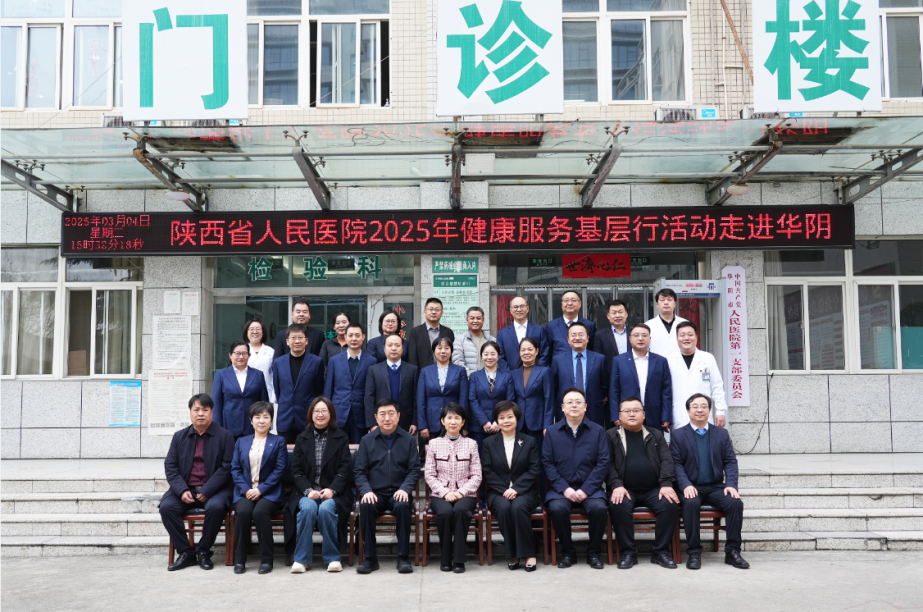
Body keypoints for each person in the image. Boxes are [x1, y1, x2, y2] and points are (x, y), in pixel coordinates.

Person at [670, 393, 749, 570]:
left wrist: (731, 485)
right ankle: (694, 552)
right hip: (691, 486)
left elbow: (730, 461)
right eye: (695, 406)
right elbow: (676, 464)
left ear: (709, 410)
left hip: (715, 486)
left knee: (735, 503)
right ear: (688, 411)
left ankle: (732, 552)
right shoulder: (678, 435)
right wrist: (685, 485)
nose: (699, 410)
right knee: (690, 503)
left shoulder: (721, 434)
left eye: (704, 406)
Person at [161, 394, 235, 571]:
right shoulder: (179, 437)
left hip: (215, 490)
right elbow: (170, 465)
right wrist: (181, 490)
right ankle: (186, 552)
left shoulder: (225, 436)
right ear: (190, 413)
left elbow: (227, 467)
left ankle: (203, 551)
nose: (200, 413)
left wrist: (207, 490)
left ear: (212, 412)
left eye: (205, 410)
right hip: (186, 489)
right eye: (196, 410)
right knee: (167, 507)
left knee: (215, 507)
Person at [607, 396, 680, 570]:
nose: (632, 414)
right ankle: (628, 553)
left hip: (653, 489)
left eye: (636, 410)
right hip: (625, 489)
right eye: (627, 411)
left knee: (670, 504)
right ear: (620, 415)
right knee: (618, 504)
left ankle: (660, 552)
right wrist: (616, 485)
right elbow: (606, 464)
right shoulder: (610, 435)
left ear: (644, 414)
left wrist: (666, 484)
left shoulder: (655, 434)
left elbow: (667, 460)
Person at [543, 388, 610, 570]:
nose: (574, 405)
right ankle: (568, 552)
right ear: (562, 407)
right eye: (570, 402)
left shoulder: (597, 431)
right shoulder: (552, 432)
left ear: (585, 406)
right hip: (561, 489)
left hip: (591, 488)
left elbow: (603, 462)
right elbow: (547, 463)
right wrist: (565, 489)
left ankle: (594, 553)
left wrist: (585, 489)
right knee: (557, 509)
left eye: (578, 402)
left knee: (599, 509)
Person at [285, 397, 353, 574]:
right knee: (308, 508)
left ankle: (333, 558)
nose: (320, 414)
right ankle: (301, 559)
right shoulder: (302, 438)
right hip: (306, 493)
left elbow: (345, 468)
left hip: (335, 493)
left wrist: (332, 489)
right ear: (311, 414)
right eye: (317, 411)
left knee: (326, 509)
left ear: (331, 414)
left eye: (324, 411)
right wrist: (308, 490)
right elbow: (296, 471)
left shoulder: (341, 437)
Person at [354, 399, 421, 574]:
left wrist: (405, 488)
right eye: (382, 414)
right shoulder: (367, 440)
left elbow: (414, 470)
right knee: (366, 506)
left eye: (391, 413)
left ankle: (403, 557)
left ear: (398, 416)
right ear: (376, 418)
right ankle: (370, 558)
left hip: (399, 491)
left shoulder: (408, 440)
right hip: (375, 492)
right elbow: (359, 471)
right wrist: (366, 491)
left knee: (403, 506)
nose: (387, 418)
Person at [480, 400, 541, 572]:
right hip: (497, 492)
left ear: (517, 419)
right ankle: (512, 553)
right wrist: (504, 490)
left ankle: (529, 553)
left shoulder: (529, 441)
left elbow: (534, 469)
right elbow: (487, 470)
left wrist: (516, 489)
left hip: (525, 491)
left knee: (519, 507)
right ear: (497, 421)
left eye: (510, 416)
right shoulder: (489, 443)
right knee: (504, 507)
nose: (506, 420)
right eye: (501, 417)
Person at [230, 402, 288, 574]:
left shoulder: (278, 441)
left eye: (266, 417)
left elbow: (279, 470)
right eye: (257, 417)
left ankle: (267, 560)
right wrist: (246, 489)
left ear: (271, 420)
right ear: (251, 420)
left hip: (269, 493)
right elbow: (235, 469)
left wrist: (261, 489)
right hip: (245, 492)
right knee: (243, 512)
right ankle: (239, 560)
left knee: (260, 512)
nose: (261, 421)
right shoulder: (241, 442)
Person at [424, 403, 482, 573]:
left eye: (457, 418)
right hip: (440, 494)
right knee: (445, 513)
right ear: (443, 421)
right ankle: (445, 558)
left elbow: (477, 475)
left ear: (463, 422)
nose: (453, 421)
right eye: (449, 418)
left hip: (466, 494)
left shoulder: (471, 444)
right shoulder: (434, 444)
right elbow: (429, 475)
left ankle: (459, 560)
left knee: (461, 511)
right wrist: (445, 493)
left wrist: (461, 492)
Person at [610, 324, 673, 431]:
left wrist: (666, 416)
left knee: (654, 441)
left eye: (644, 335)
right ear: (630, 339)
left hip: (654, 415)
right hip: (628, 414)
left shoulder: (661, 361)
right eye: (636, 335)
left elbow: (666, 391)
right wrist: (616, 415)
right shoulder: (619, 361)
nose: (640, 338)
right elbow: (614, 390)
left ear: (650, 338)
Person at [271, 324, 325, 444]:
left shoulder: (316, 362)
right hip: (285, 418)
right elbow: (277, 390)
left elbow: (318, 390)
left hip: (307, 418)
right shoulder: (278, 363)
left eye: (300, 337)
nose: (297, 341)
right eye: (293, 338)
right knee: (284, 453)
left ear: (306, 341)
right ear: (287, 341)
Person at [668, 321, 727, 429]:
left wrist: (720, 410)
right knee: (680, 438)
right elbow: (665, 391)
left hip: (703, 414)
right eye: (682, 335)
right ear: (677, 339)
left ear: (696, 337)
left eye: (690, 334)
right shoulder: (669, 360)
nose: (686, 338)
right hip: (678, 415)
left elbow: (717, 386)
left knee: (704, 438)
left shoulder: (707, 358)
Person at [324, 323, 376, 444]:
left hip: (361, 414)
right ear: (345, 337)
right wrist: (327, 413)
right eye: (350, 335)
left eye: (357, 335)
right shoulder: (334, 360)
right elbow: (328, 389)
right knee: (337, 448)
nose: (354, 339)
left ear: (363, 337)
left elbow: (373, 391)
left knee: (359, 449)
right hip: (338, 413)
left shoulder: (372, 361)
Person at [550, 322, 609, 428]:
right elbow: (554, 387)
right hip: (566, 411)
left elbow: (604, 385)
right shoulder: (558, 360)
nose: (577, 338)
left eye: (581, 334)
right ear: (568, 339)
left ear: (588, 338)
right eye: (573, 335)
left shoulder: (599, 359)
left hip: (593, 411)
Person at [417, 336, 469, 442]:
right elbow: (420, 400)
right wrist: (422, 425)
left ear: (451, 350)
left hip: (454, 422)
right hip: (431, 423)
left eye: (446, 348)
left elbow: (463, 399)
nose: (443, 351)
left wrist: (464, 425)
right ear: (434, 350)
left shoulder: (460, 371)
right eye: (439, 348)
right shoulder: (425, 371)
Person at [213, 342, 270, 438]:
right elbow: (216, 403)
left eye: (244, 353)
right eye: (237, 353)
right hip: (229, 427)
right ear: (230, 355)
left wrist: (265, 424)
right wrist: (217, 427)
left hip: (253, 427)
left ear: (249, 355)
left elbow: (264, 402)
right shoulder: (221, 375)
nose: (241, 356)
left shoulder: (258, 374)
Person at [365, 333, 418, 433]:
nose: (393, 348)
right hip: (381, 422)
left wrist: (415, 422)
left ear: (403, 348)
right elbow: (369, 398)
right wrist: (372, 424)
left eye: (397, 345)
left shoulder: (412, 370)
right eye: (390, 345)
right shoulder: (374, 370)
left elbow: (416, 398)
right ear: (384, 349)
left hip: (406, 422)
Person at [512, 337, 554, 459]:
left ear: (537, 351)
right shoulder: (513, 373)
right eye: (523, 350)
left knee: (537, 456)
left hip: (537, 422)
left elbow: (549, 400)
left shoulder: (544, 372)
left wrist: (547, 425)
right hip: (518, 422)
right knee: (519, 457)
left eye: (530, 349)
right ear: (519, 352)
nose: (526, 352)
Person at [468, 341, 515, 445]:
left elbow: (509, 400)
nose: (489, 357)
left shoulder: (507, 376)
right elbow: (472, 400)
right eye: (486, 354)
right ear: (481, 356)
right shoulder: (474, 376)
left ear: (498, 356)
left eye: (493, 354)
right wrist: (484, 422)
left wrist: (499, 421)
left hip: (501, 426)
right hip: (479, 427)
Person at [496, 296, 549, 368]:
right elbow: (500, 357)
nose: (519, 309)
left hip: (535, 373)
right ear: (511, 310)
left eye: (522, 306)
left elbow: (545, 354)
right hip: (510, 374)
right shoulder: (502, 333)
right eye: (515, 307)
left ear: (527, 309)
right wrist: (509, 374)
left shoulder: (539, 330)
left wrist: (536, 372)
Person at [544, 291, 597, 359]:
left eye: (573, 300)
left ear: (580, 304)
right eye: (566, 300)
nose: (569, 303)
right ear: (562, 304)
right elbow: (547, 353)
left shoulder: (589, 325)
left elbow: (592, 350)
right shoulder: (551, 326)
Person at [406, 297, 455, 368]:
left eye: (437, 309)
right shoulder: (415, 332)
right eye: (431, 309)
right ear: (425, 312)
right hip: (422, 373)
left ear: (442, 313)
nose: (434, 312)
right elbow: (412, 357)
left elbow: (452, 355)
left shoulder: (448, 332)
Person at [453, 306, 498, 376]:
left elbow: (498, 361)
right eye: (472, 318)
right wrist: (474, 377)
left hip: (490, 379)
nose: (475, 321)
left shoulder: (492, 340)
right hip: (469, 380)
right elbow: (458, 362)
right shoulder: (459, 340)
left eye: (478, 318)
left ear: (483, 320)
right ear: (467, 320)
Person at [646, 288, 687, 361]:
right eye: (662, 300)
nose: (666, 303)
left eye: (669, 299)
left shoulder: (685, 324)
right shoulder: (648, 325)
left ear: (675, 304)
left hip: (680, 364)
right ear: (657, 304)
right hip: (657, 365)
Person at [244, 319, 276, 403]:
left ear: (263, 332)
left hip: (266, 394)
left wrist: (273, 397)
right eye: (251, 329)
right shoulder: (241, 350)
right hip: (246, 393)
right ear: (246, 332)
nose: (255, 332)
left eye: (258, 329)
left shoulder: (271, 351)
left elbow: (275, 375)